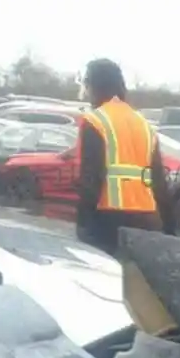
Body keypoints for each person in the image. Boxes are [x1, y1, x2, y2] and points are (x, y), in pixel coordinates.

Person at [74, 58, 170, 257]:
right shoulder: (143, 123)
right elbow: (159, 180)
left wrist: (83, 225)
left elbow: (90, 179)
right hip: (148, 220)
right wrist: (168, 228)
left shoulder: (95, 120)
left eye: (87, 85)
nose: (87, 92)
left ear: (94, 85)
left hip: (108, 221)